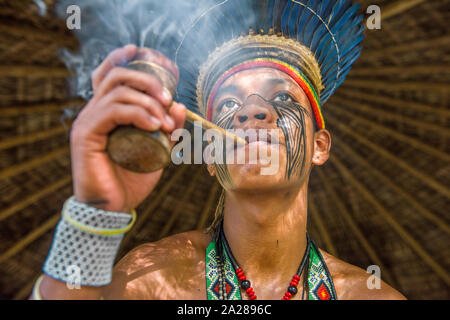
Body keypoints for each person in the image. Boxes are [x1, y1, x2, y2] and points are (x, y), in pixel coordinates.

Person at [32, 0, 406, 300]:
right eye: (229, 105)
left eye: (281, 97)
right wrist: (96, 210)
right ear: (209, 154)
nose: (252, 110)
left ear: (319, 147)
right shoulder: (150, 282)